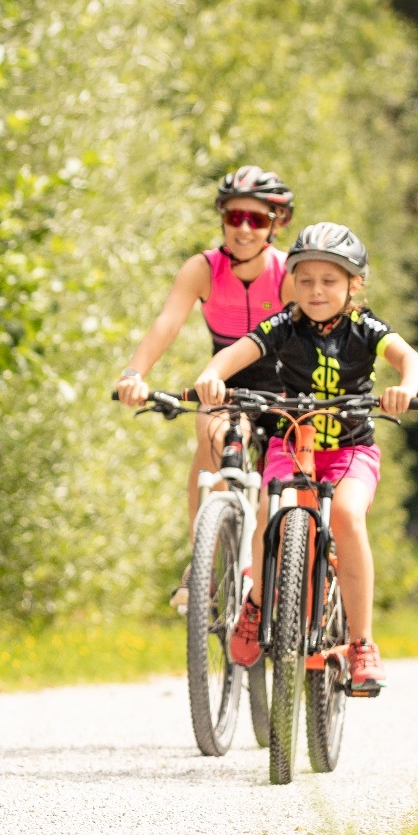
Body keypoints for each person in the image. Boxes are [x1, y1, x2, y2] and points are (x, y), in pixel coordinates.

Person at [192, 223, 418, 696]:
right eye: (305, 281)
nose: (316, 291)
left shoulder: (365, 327)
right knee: (268, 512)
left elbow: (411, 359)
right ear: (292, 283)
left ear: (352, 285)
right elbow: (236, 353)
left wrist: (405, 389)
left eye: (329, 281)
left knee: (346, 516)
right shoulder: (284, 324)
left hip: (350, 448)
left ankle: (361, 644)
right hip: (291, 442)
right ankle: (256, 604)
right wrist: (212, 377)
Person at [115, 166, 296, 606]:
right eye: (234, 217)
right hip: (226, 385)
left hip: (286, 389)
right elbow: (166, 324)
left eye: (255, 219)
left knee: (286, 491)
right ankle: (203, 562)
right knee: (209, 433)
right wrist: (134, 374)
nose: (244, 228)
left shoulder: (289, 272)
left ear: (276, 222)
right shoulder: (203, 269)